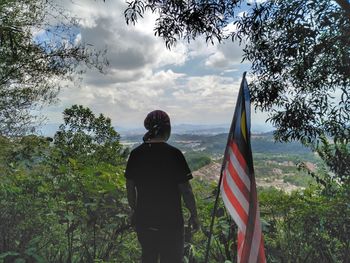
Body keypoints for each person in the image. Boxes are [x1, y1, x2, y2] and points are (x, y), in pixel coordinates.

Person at [125, 110, 199, 263]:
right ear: (167, 129)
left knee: (148, 257)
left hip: (144, 221)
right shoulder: (175, 154)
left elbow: (130, 188)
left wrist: (135, 210)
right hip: (171, 224)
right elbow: (186, 191)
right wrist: (194, 215)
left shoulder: (136, 154)